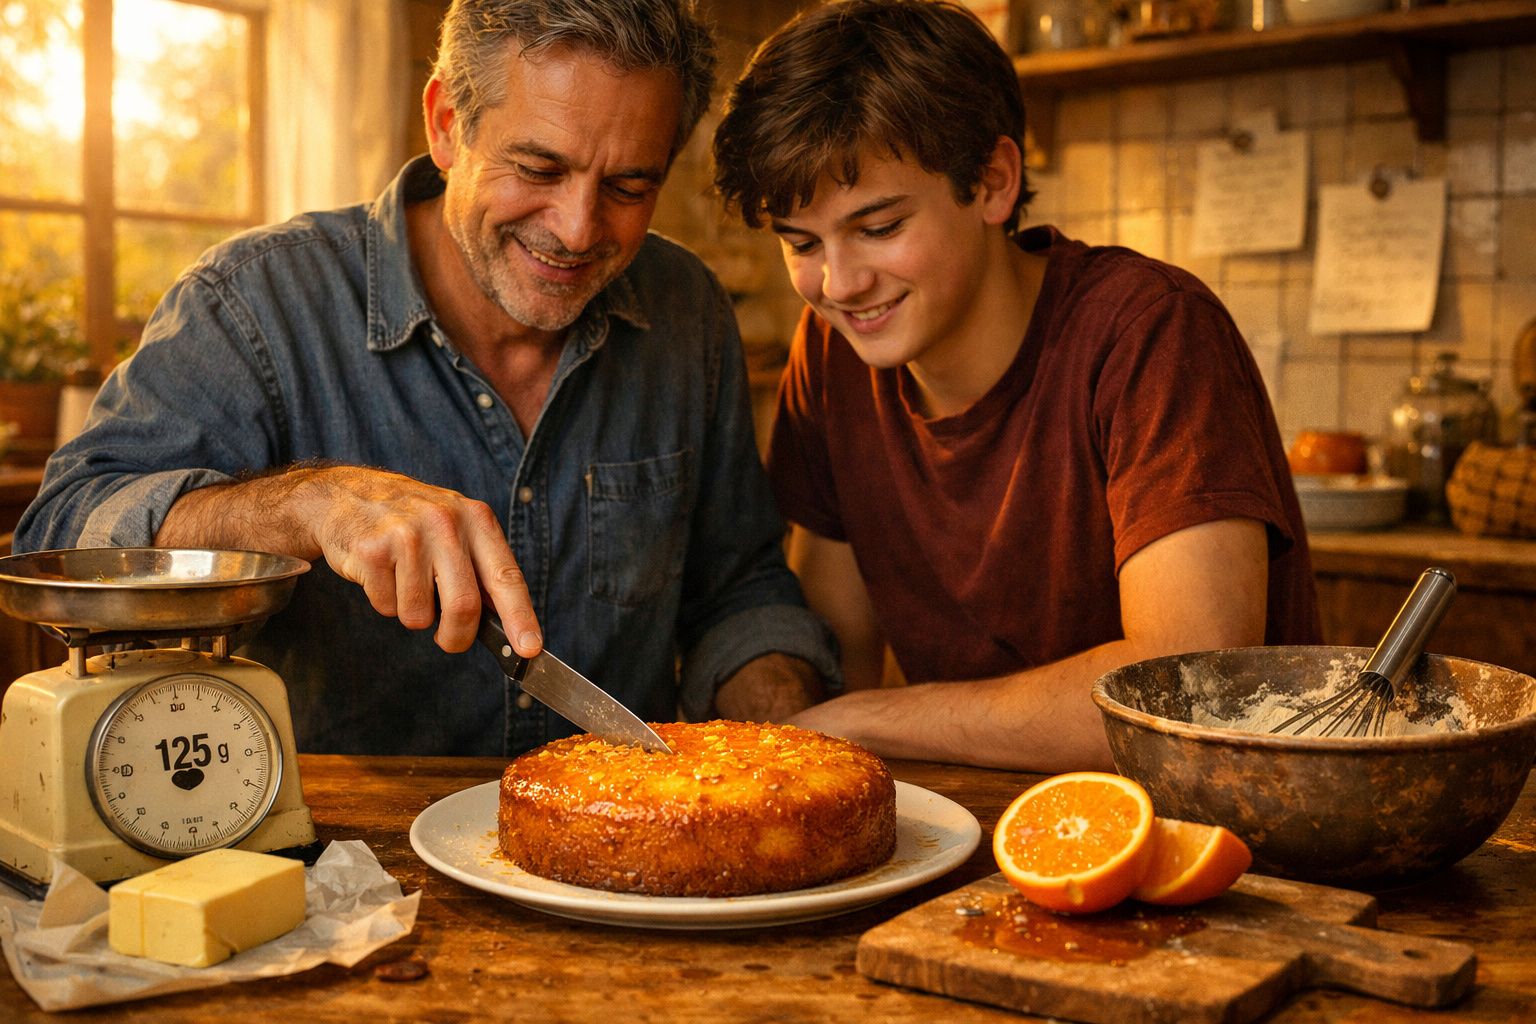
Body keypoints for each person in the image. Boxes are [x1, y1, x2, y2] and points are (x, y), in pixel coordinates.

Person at [16, 0, 837, 756]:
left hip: (620, 862)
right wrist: (307, 505)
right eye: (539, 169)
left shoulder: (686, 310)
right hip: (344, 873)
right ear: (447, 124)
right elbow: (58, 540)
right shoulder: (255, 302)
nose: (578, 229)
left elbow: (738, 587)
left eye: (629, 186)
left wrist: (781, 738)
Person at [711, 0, 1320, 772]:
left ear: (995, 182)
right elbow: (837, 662)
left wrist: (867, 721)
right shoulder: (832, 355)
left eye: (880, 227)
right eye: (801, 243)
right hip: (985, 842)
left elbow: (1184, 690)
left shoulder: (1151, 330)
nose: (839, 283)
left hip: (1223, 849)